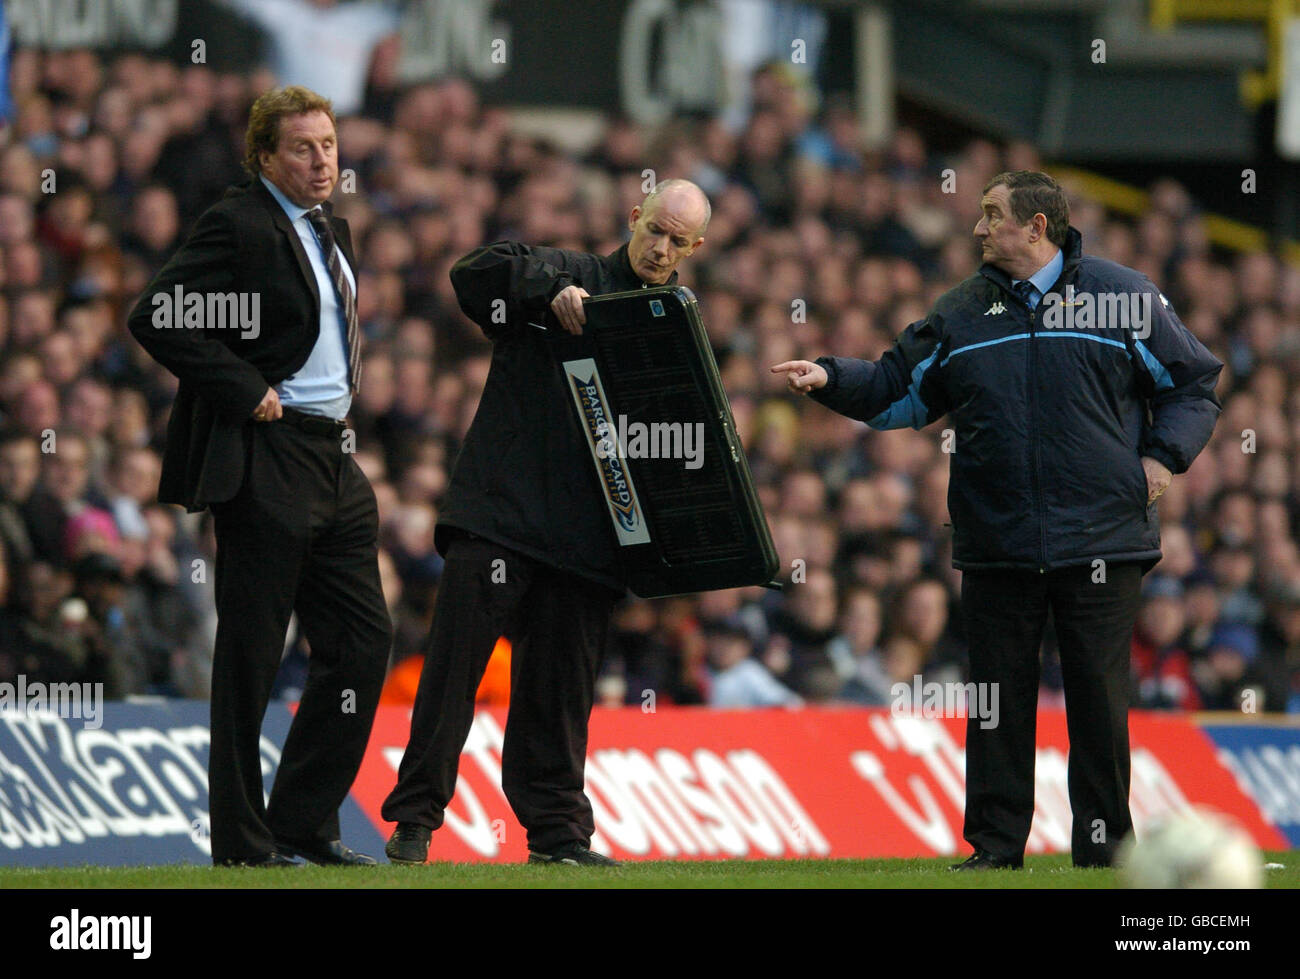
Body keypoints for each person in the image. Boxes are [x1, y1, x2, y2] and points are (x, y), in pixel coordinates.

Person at [772, 170, 1222, 869]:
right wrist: (833, 377)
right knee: (995, 700)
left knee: (1098, 701)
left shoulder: (1122, 296)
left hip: (1102, 537)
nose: (978, 228)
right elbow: (899, 391)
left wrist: (1163, 460)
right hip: (997, 539)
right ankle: (994, 847)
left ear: (1036, 227)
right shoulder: (959, 312)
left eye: (992, 215)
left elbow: (1193, 381)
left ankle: (1104, 848)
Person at [382, 179, 710, 866]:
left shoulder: (675, 329)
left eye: (678, 241)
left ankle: (559, 838)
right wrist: (544, 293)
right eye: (655, 229)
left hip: (590, 540)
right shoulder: (571, 273)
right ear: (634, 217)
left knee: (561, 699)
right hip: (501, 515)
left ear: (695, 248)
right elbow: (473, 273)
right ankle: (415, 823)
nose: (661, 247)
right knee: (451, 673)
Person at [128, 85, 391, 867]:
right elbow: (155, 312)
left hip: (334, 457)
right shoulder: (239, 221)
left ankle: (301, 820)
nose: (322, 160)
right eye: (304, 148)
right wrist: (245, 388)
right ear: (266, 156)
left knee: (363, 640)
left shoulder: (329, 227)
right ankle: (242, 844)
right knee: (251, 653)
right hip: (268, 455)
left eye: (330, 145)